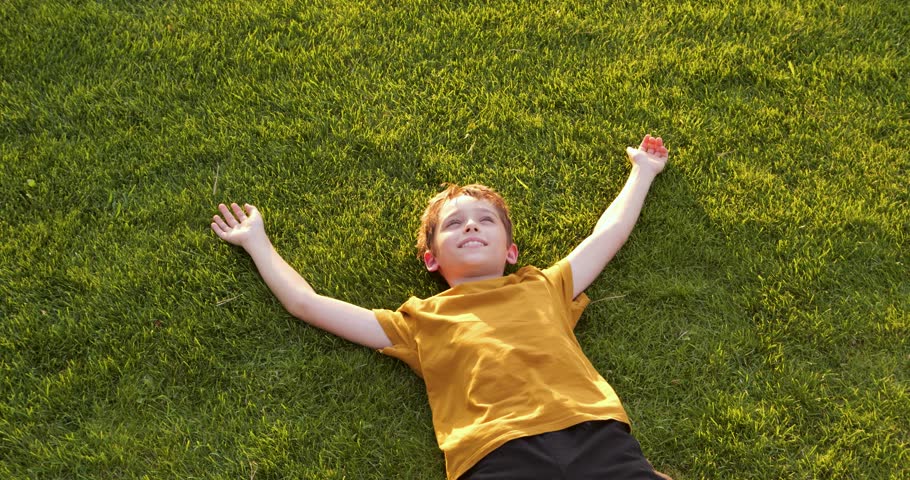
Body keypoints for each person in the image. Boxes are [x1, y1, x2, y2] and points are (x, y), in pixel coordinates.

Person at [211, 134, 673, 479]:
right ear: (431, 258)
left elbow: (606, 236)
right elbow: (305, 303)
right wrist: (256, 242)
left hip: (593, 430)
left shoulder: (544, 285)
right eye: (454, 225)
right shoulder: (419, 321)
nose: (472, 227)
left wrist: (643, 171)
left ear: (510, 251)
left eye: (485, 220)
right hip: (495, 454)